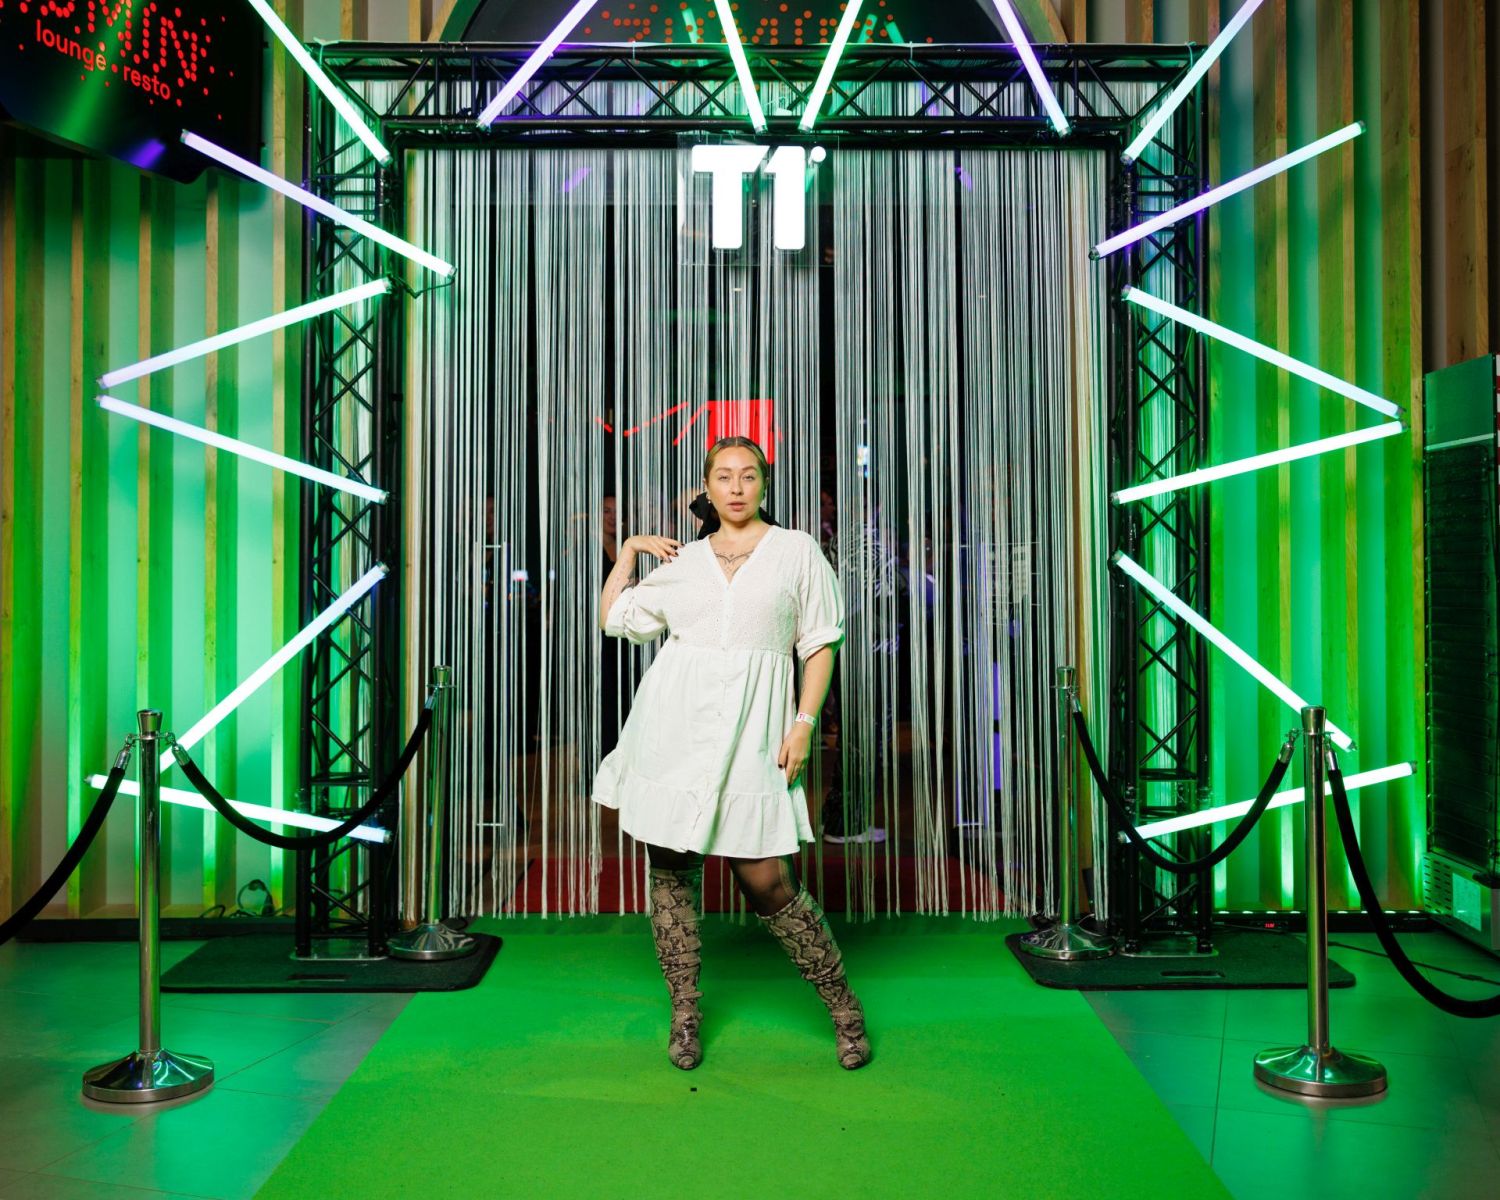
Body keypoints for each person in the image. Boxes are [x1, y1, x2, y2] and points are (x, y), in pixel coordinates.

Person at [592, 437, 870, 1072]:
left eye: (748, 476)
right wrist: (629, 550)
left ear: (764, 484)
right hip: (674, 730)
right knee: (670, 869)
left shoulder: (797, 550)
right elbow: (616, 619)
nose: (736, 487)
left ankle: (843, 1007)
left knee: (767, 881)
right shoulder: (685, 560)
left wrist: (804, 723)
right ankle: (685, 1012)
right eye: (724, 476)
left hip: (755, 731)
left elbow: (820, 642)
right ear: (708, 488)